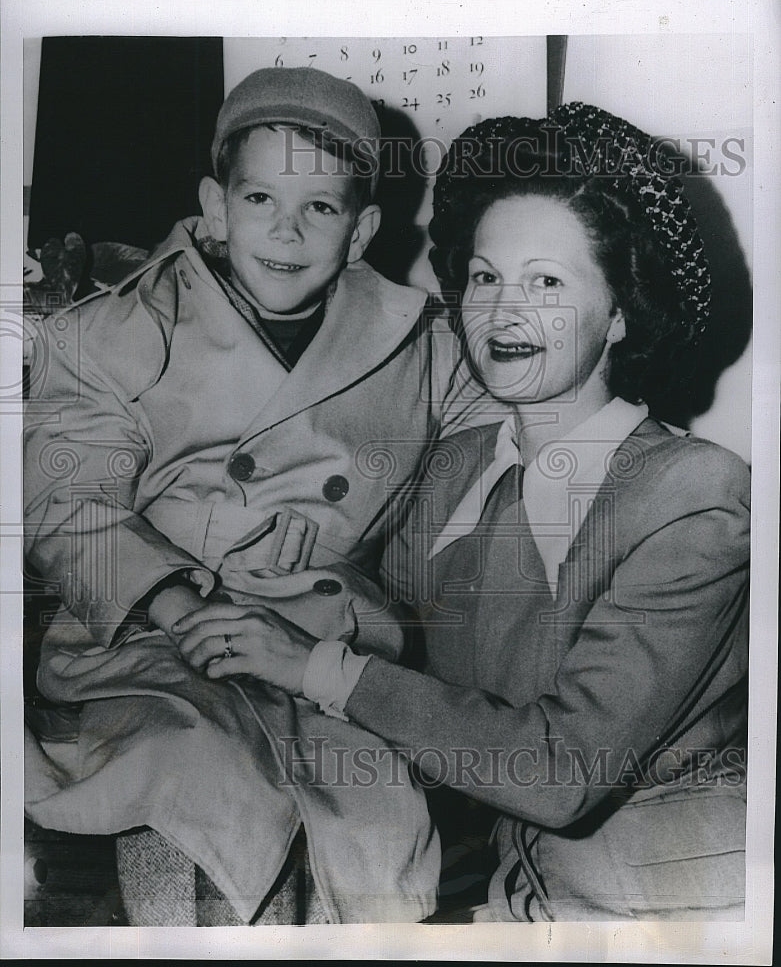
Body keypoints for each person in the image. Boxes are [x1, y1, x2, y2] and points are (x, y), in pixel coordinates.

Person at [174, 103, 751, 921]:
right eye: (485, 278)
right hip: (512, 904)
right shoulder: (456, 472)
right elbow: (397, 637)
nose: (502, 312)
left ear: (620, 313)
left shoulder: (695, 495)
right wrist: (300, 588)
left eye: (546, 282)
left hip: (682, 909)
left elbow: (557, 771)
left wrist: (314, 667)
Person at [23, 66, 504, 925]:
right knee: (197, 775)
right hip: (145, 644)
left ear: (360, 234)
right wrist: (181, 605)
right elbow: (69, 510)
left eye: (319, 208)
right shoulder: (111, 332)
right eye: (259, 200)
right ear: (215, 204)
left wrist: (358, 547)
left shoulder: (423, 344)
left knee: (370, 811)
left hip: (323, 641)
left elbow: (489, 473)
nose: (286, 229)